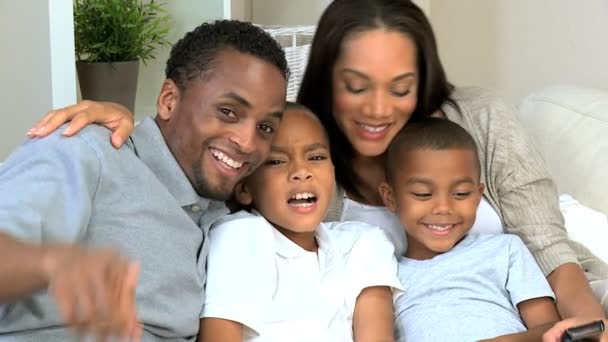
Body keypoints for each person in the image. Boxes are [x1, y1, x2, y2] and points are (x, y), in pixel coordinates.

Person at [27, 0, 608, 337]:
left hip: (548, 302)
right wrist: (123, 118)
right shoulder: (297, 159)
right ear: (328, 81)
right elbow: (216, 169)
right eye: (357, 87)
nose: (380, 109)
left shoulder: (475, 119)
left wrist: (586, 326)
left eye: (401, 87)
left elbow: (549, 248)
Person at [0, 20, 288, 341]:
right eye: (228, 111)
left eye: (265, 128)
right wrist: (55, 264)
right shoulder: (87, 150)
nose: (247, 142)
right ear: (168, 100)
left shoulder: (225, 211)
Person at [198, 103, 402, 342]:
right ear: (244, 188)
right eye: (276, 161)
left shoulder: (363, 243)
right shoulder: (242, 235)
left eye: (316, 157)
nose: (301, 171)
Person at [379, 117, 560, 341]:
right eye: (423, 194)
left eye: (461, 193)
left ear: (477, 195)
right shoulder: (384, 274)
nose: (444, 208)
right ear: (390, 197)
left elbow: (551, 330)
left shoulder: (504, 250)